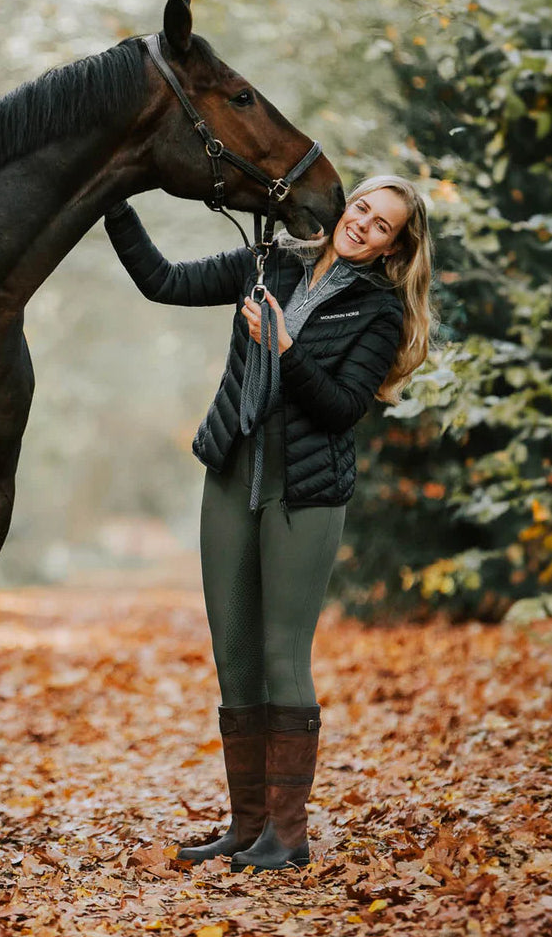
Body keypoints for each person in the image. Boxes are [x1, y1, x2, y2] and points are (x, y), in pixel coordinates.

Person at [104, 175, 434, 872]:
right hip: (230, 474)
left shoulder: (378, 311)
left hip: (303, 492)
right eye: (361, 210)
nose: (363, 226)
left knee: (282, 657)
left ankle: (288, 834)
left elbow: (342, 408)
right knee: (234, 660)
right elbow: (161, 280)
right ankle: (247, 826)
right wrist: (111, 200)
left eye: (381, 227)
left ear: (393, 248)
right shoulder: (271, 262)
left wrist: (285, 350)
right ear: (345, 208)